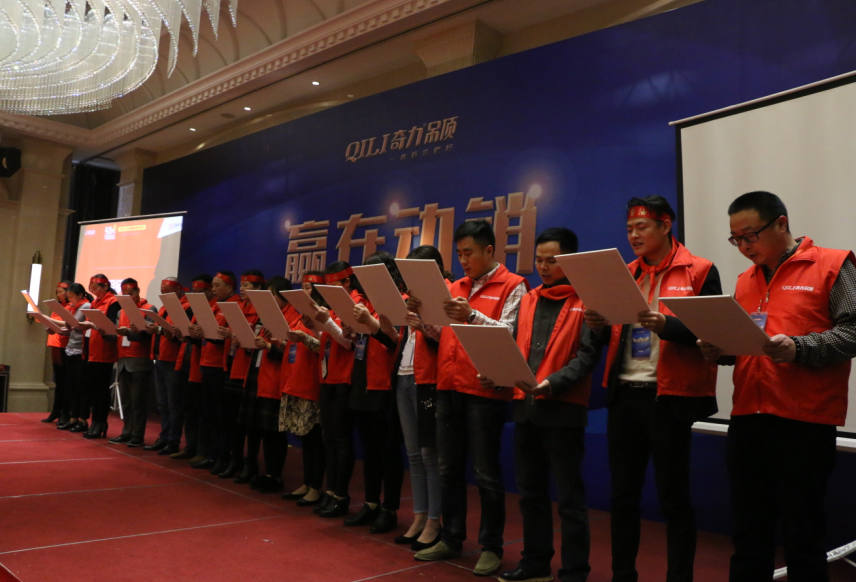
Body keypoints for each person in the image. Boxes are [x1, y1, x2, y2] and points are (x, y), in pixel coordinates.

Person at [697, 191, 856, 582]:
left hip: (804, 422)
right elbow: (748, 347)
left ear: (781, 223)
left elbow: (853, 331)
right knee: (748, 533)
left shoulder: (832, 265)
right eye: (736, 239)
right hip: (748, 418)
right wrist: (720, 349)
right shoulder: (745, 279)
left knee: (803, 535)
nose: (744, 247)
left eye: (750, 235)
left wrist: (799, 349)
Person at [584, 196, 721, 582]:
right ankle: (622, 575)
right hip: (625, 394)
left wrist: (669, 326)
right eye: (629, 228)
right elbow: (611, 336)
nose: (633, 235)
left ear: (665, 226)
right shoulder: (624, 274)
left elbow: (716, 332)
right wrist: (597, 325)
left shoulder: (699, 270)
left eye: (641, 227)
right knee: (622, 495)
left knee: (674, 499)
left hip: (669, 399)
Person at [473, 228, 598, 582]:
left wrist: (551, 384)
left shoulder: (589, 301)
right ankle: (535, 565)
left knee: (570, 500)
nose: (543, 267)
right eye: (539, 260)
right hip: (526, 409)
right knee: (530, 495)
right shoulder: (528, 298)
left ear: (570, 261)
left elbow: (587, 356)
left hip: (564, 409)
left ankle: (574, 572)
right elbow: (514, 348)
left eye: (551, 261)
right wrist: (498, 375)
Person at [414, 219, 528, 577]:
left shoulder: (513, 285)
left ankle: (491, 547)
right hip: (447, 385)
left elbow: (511, 334)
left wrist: (472, 315)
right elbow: (443, 335)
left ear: (489, 250)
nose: (463, 260)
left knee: (485, 472)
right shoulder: (454, 286)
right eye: (459, 254)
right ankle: (451, 538)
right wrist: (422, 319)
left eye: (469, 253)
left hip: (485, 389)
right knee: (448, 468)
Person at [345, 251, 403, 534]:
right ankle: (370, 503)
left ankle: (389, 508)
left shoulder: (400, 301)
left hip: (386, 386)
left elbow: (397, 342)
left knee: (388, 451)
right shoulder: (363, 304)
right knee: (369, 450)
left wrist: (370, 323)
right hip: (361, 382)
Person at [394, 245, 447, 551]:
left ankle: (434, 520)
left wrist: (424, 324)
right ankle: (419, 515)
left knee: (430, 455)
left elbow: (449, 342)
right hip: (403, 375)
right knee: (413, 454)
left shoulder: (447, 295)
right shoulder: (410, 298)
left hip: (429, 380)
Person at [312, 262, 359, 518]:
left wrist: (327, 321)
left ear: (347, 282)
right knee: (328, 438)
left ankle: (341, 495)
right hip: (327, 375)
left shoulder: (355, 303)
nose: (328, 290)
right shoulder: (331, 306)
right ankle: (330, 491)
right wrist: (316, 324)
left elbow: (348, 343)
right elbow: (329, 337)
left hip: (344, 378)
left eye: (333, 285)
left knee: (341, 440)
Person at [279, 271, 327, 506]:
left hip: (312, 384)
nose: (305, 291)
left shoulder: (324, 315)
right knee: (305, 439)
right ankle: (307, 483)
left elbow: (326, 348)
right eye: (303, 286)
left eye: (309, 287)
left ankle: (316, 486)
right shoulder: (300, 315)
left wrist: (305, 338)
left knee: (315, 438)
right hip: (294, 381)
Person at [190, 270, 240, 473]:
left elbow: (230, 338)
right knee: (209, 413)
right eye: (212, 285)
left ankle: (222, 456)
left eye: (217, 285)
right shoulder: (213, 306)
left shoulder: (234, 307)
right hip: (207, 363)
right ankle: (212, 454)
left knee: (222, 416)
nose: (213, 289)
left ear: (229, 288)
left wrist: (208, 334)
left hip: (222, 367)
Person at [221, 270, 265, 479]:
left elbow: (257, 343)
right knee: (232, 420)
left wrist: (237, 336)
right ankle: (235, 458)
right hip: (233, 366)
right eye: (241, 285)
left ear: (259, 288)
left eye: (246, 286)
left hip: (250, 371)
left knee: (249, 422)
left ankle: (250, 463)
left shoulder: (262, 312)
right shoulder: (238, 308)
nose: (242, 289)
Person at [144, 278, 191, 455]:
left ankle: (173, 440)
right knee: (163, 403)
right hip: (160, 358)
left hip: (174, 360)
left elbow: (184, 335)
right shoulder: (164, 308)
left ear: (178, 290)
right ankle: (164, 437)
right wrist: (154, 329)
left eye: (167, 290)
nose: (163, 293)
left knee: (173, 404)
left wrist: (162, 331)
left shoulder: (185, 307)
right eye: (162, 290)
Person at [110, 279, 157, 448]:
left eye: (131, 294)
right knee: (126, 400)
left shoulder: (149, 309)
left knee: (138, 400)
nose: (128, 297)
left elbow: (149, 333)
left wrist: (129, 332)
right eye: (125, 294)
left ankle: (137, 434)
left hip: (140, 359)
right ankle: (127, 431)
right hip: (123, 358)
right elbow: (117, 332)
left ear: (138, 291)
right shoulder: (121, 311)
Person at [77, 274, 121, 439]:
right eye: (92, 288)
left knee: (101, 390)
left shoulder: (113, 302)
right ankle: (95, 422)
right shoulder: (95, 303)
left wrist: (95, 325)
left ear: (106, 286)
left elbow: (111, 325)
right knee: (93, 390)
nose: (93, 291)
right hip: (91, 351)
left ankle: (100, 422)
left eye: (96, 288)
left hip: (104, 352)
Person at [58, 283, 92, 433]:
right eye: (68, 297)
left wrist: (72, 325)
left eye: (72, 297)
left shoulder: (86, 306)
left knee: (81, 386)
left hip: (81, 349)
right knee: (71, 385)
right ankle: (73, 417)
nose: (70, 300)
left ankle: (83, 419)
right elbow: (70, 329)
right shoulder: (73, 308)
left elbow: (83, 326)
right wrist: (58, 328)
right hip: (70, 347)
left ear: (80, 295)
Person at [43, 281, 71, 424]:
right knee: (58, 380)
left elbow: (67, 326)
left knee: (64, 381)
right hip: (54, 343)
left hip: (63, 344)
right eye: (57, 292)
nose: (59, 295)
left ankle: (64, 412)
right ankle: (56, 411)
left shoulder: (70, 307)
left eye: (61, 292)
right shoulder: (58, 307)